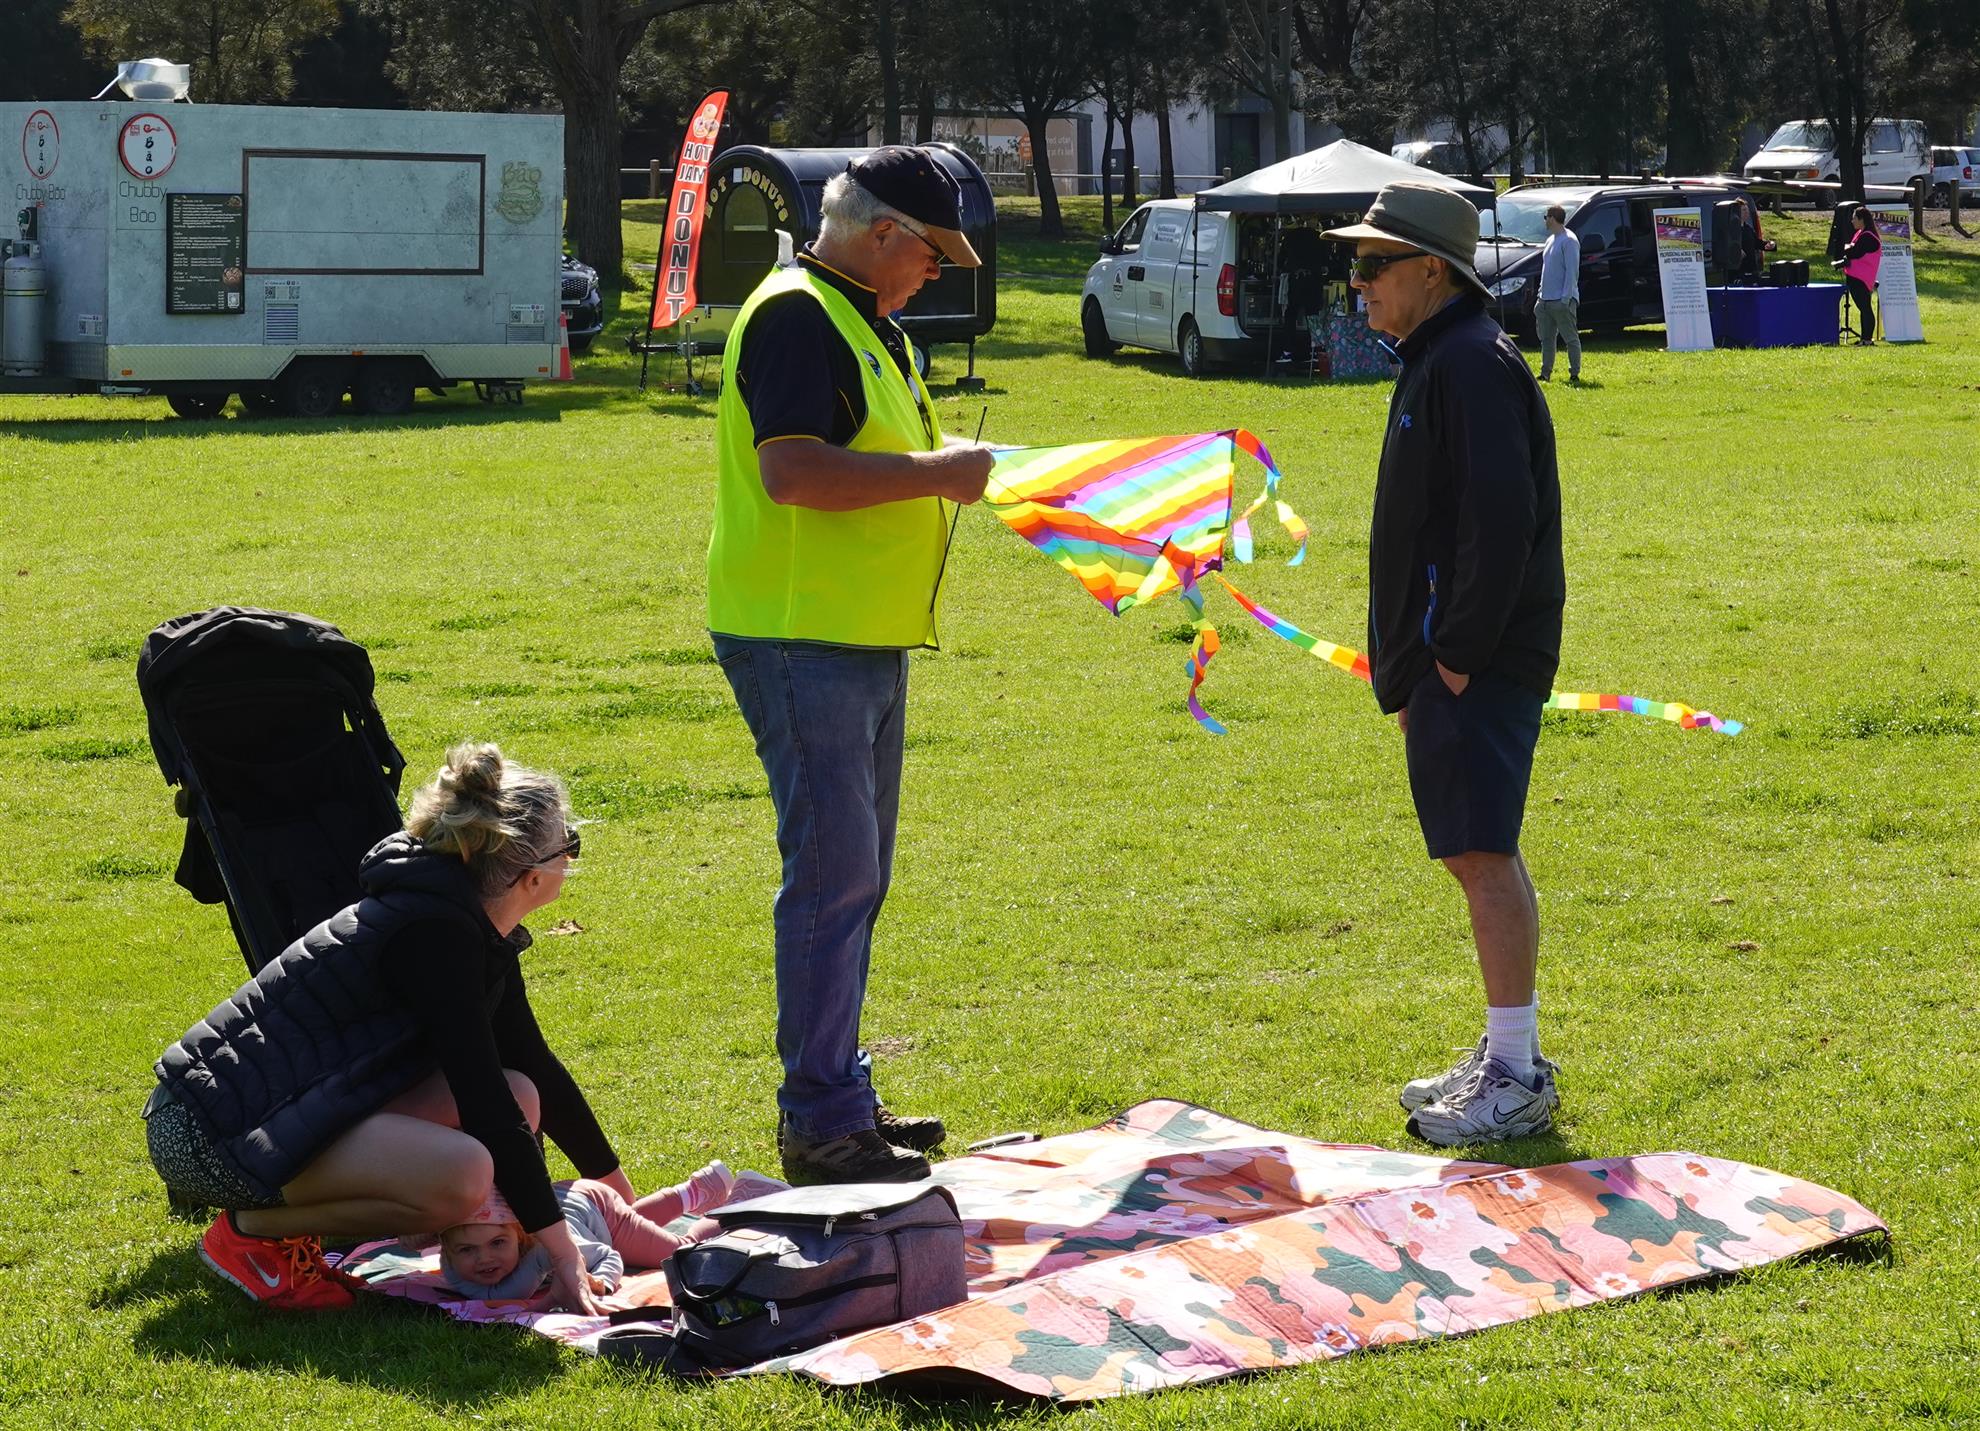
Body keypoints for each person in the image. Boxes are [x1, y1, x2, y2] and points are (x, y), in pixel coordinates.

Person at [707, 147, 994, 1185]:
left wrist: (946, 471)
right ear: (883, 235)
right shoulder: (798, 314)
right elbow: (793, 472)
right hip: (802, 637)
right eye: (932, 253)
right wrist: (936, 473)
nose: (937, 272)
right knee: (835, 881)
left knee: (855, 880)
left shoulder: (865, 319)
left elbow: (866, 452)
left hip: (856, 636)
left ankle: (840, 1097)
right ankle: (822, 1123)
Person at [145, 744, 636, 1312]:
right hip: (205, 1134)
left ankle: (285, 1225)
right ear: (529, 877)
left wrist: (621, 1204)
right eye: (568, 845)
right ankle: (251, 1232)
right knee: (463, 1175)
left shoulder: (466, 920)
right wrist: (564, 1253)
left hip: (271, 1115)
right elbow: (482, 1101)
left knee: (523, 1094)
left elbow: (531, 1066)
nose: (571, 858)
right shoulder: (434, 936)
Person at [1323, 181, 1567, 1146]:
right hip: (1448, 660)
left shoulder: (1468, 363)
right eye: (1357, 264)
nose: (1359, 282)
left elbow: (1500, 525)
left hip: (1475, 660)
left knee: (1481, 850)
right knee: (1476, 849)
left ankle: (1516, 1073)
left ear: (1433, 270)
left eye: (1374, 264)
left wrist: (1454, 658)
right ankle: (1510, 1050)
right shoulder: (1442, 357)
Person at [437, 1164, 734, 1301]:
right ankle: (697, 1190)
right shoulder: (452, 1267)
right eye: (467, 1249)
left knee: (678, 1253)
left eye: (497, 1243)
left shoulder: (554, 1244)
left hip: (597, 1207)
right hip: (572, 1205)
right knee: (637, 1228)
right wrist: (535, 1268)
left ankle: (736, 1211)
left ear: (520, 1235)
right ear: (447, 1251)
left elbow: (608, 1254)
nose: (484, 1258)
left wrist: (602, 1282)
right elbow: (490, 1295)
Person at [1534, 204, 1582, 383]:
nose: (1545, 221)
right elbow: (1546, 270)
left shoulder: (1569, 240)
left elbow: (1572, 272)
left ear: (1553, 218)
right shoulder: (1550, 240)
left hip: (1562, 300)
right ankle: (1545, 373)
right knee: (1546, 339)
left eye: (1546, 217)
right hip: (1545, 300)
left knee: (1570, 338)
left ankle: (1574, 374)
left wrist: (1566, 298)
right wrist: (1540, 295)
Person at [1834, 204, 1881, 344]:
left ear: (1862, 220)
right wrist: (1849, 248)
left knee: (1865, 308)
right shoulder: (1860, 234)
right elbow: (1851, 250)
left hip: (1861, 278)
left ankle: (1867, 340)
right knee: (1863, 308)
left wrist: (1848, 247)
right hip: (1856, 277)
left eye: (1854, 218)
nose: (1852, 221)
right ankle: (1864, 338)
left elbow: (1853, 252)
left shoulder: (1868, 237)